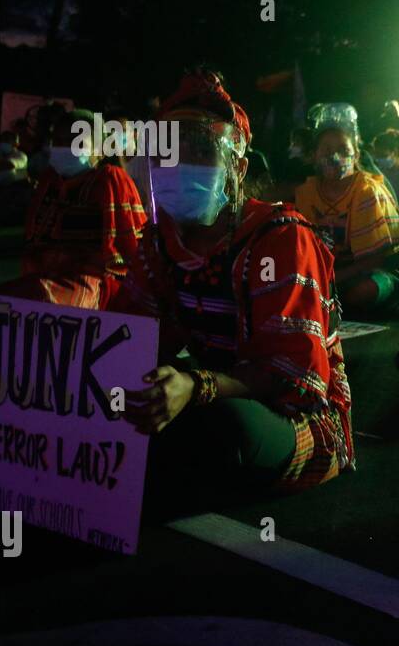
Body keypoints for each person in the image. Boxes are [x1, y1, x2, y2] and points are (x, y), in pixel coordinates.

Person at [111, 71, 353, 499]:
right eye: (167, 154)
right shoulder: (160, 240)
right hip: (203, 390)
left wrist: (198, 386)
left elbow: (292, 378)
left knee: (224, 431)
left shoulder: (280, 238)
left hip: (290, 414)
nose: (178, 167)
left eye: (200, 153)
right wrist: (24, 363)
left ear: (237, 168)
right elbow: (125, 340)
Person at [0, 109, 146, 309]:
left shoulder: (110, 180)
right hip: (44, 278)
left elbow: (130, 251)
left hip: (90, 282)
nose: (64, 147)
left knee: (36, 298)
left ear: (100, 149)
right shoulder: (49, 180)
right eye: (58, 141)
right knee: (0, 299)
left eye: (75, 141)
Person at [293, 104, 399, 316]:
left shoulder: (366, 191)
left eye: (343, 151)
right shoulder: (305, 192)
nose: (334, 157)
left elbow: (375, 260)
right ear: (314, 156)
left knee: (362, 292)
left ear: (356, 155)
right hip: (325, 275)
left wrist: (329, 280)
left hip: (372, 272)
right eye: (326, 150)